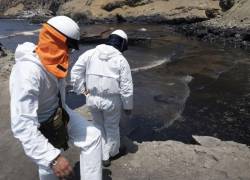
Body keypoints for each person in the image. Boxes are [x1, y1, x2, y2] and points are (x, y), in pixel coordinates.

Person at [9, 16, 102, 180]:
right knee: (49, 165)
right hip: (42, 121)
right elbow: (23, 124)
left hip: (60, 110)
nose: (69, 53)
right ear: (57, 42)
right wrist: (52, 159)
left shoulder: (53, 60)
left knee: (93, 137)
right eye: (69, 47)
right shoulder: (28, 72)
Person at [71, 29, 133, 167]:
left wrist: (83, 92)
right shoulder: (121, 60)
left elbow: (75, 72)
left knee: (98, 125)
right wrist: (128, 106)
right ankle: (111, 153)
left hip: (92, 98)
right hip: (112, 100)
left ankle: (101, 153)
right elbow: (126, 86)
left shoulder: (90, 53)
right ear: (122, 44)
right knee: (111, 127)